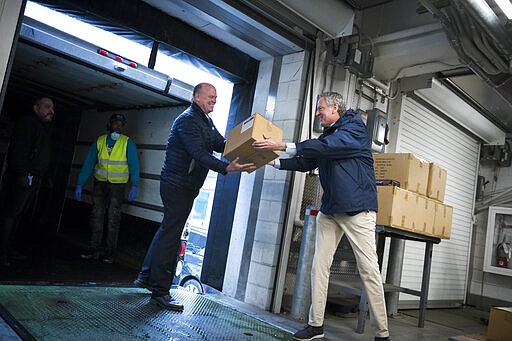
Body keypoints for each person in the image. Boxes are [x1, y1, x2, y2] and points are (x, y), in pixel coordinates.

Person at [253, 92, 390, 341]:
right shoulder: (329, 135)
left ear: (335, 108)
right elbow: (307, 161)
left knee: (369, 270)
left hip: (357, 210)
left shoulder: (354, 129)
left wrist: (284, 145)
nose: (318, 112)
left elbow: (328, 148)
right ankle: (316, 325)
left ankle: (382, 334)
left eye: (321, 108)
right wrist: (271, 162)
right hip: (331, 210)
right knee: (318, 267)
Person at [133, 82, 255, 311]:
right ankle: (160, 291)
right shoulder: (188, 120)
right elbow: (198, 153)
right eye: (210, 97)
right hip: (177, 185)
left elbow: (220, 143)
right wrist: (226, 168)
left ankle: (146, 276)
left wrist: (248, 146)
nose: (214, 101)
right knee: (171, 235)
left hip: (186, 185)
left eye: (216, 98)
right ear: (197, 97)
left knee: (167, 230)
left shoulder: (205, 121)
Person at [75, 113, 140, 264]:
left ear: (123, 127)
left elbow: (134, 165)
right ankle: (94, 249)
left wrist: (135, 184)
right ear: (110, 124)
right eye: (115, 123)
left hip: (118, 186)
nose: (118, 126)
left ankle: (110, 252)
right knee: (96, 216)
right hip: (100, 183)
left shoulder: (127, 143)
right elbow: (89, 163)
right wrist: (80, 182)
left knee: (113, 218)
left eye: (120, 124)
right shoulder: (100, 141)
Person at [0, 97, 55, 267]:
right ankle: (1, 253)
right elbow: (19, 151)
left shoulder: (42, 127)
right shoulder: (28, 124)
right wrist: (23, 175)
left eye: (52, 108)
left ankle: (8, 249)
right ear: (35, 108)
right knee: (10, 216)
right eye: (47, 107)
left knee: (18, 217)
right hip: (22, 178)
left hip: (33, 178)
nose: (51, 111)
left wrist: (44, 177)